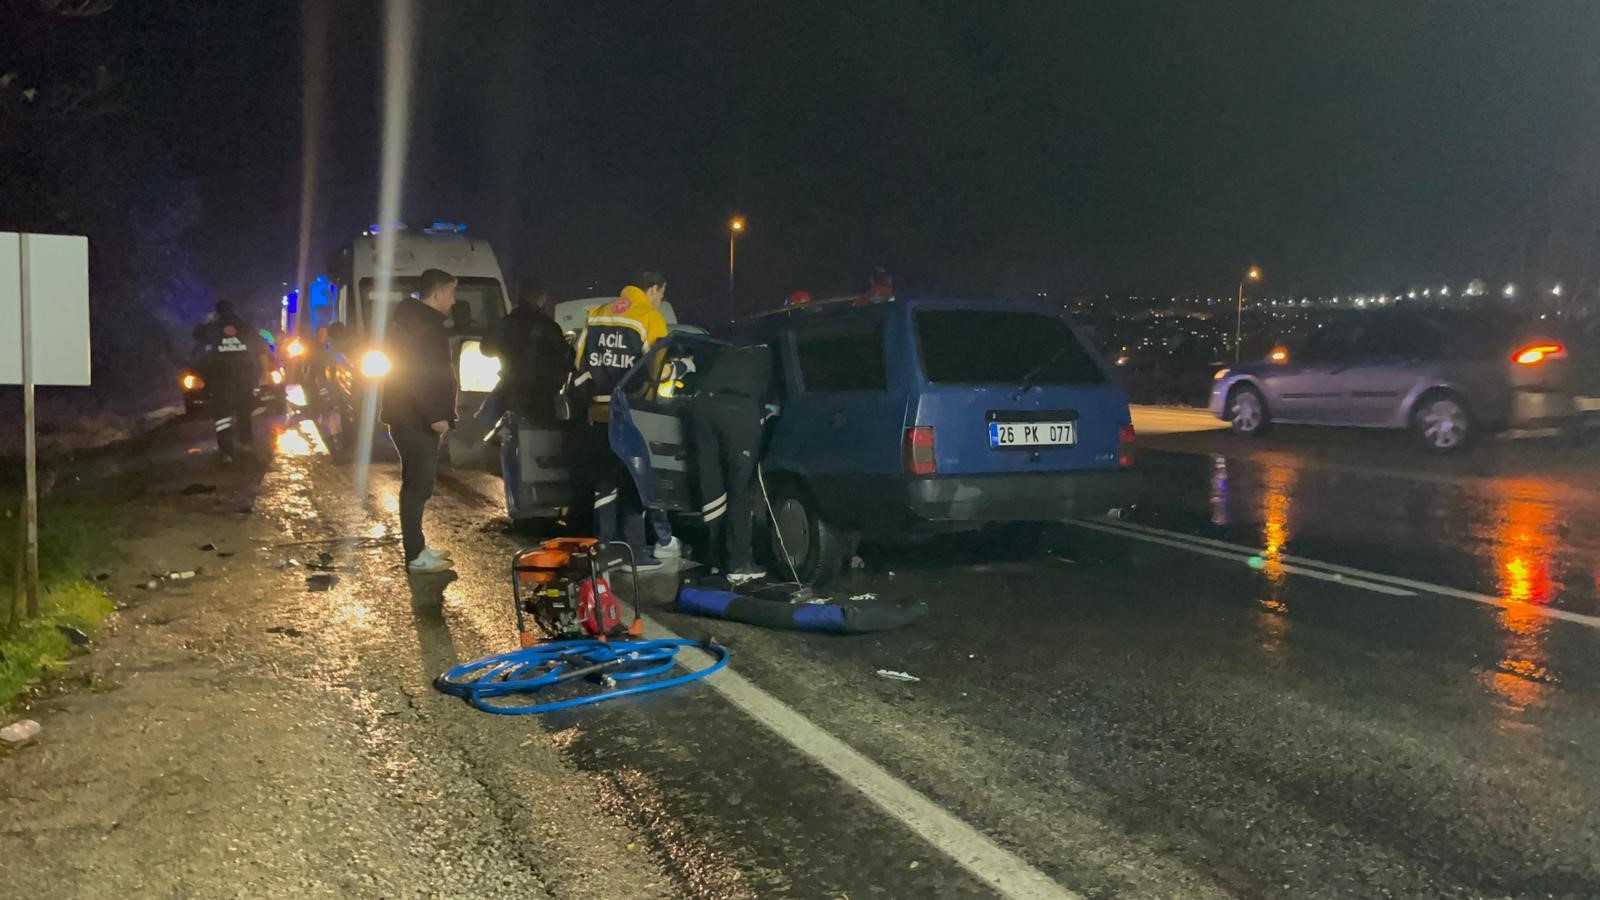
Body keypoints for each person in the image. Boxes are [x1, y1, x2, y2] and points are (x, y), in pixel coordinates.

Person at [572, 271, 669, 569]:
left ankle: (602, 548)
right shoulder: (650, 318)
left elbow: (579, 363)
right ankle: (633, 553)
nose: (660, 301)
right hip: (630, 416)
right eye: (661, 295)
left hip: (597, 413)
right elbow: (658, 370)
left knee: (603, 483)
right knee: (633, 482)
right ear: (652, 289)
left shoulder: (597, 315)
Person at [381, 268, 460, 574]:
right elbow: (417, 375)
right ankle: (415, 556)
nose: (453, 301)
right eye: (451, 293)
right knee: (417, 487)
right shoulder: (423, 326)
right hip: (415, 419)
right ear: (437, 293)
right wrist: (436, 415)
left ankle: (419, 548)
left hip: (410, 417)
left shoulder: (418, 322)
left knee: (418, 485)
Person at [482, 277, 576, 519]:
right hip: (543, 397)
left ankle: (518, 504)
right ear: (541, 298)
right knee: (543, 448)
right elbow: (567, 360)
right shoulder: (549, 326)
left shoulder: (506, 324)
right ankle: (545, 498)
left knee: (513, 447)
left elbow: (485, 348)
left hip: (512, 394)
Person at [690, 341, 774, 584]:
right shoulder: (771, 350)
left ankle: (715, 560)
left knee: (712, 487)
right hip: (737, 410)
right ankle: (738, 563)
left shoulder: (729, 348)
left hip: (702, 407)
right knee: (741, 489)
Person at [192, 300, 269, 461]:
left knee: (222, 415)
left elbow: (196, 336)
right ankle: (246, 443)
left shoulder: (211, 327)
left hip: (219, 379)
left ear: (217, 312)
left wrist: (206, 321)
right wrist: (265, 373)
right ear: (234, 310)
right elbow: (262, 349)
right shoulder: (244, 326)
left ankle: (226, 451)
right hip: (244, 378)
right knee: (243, 411)